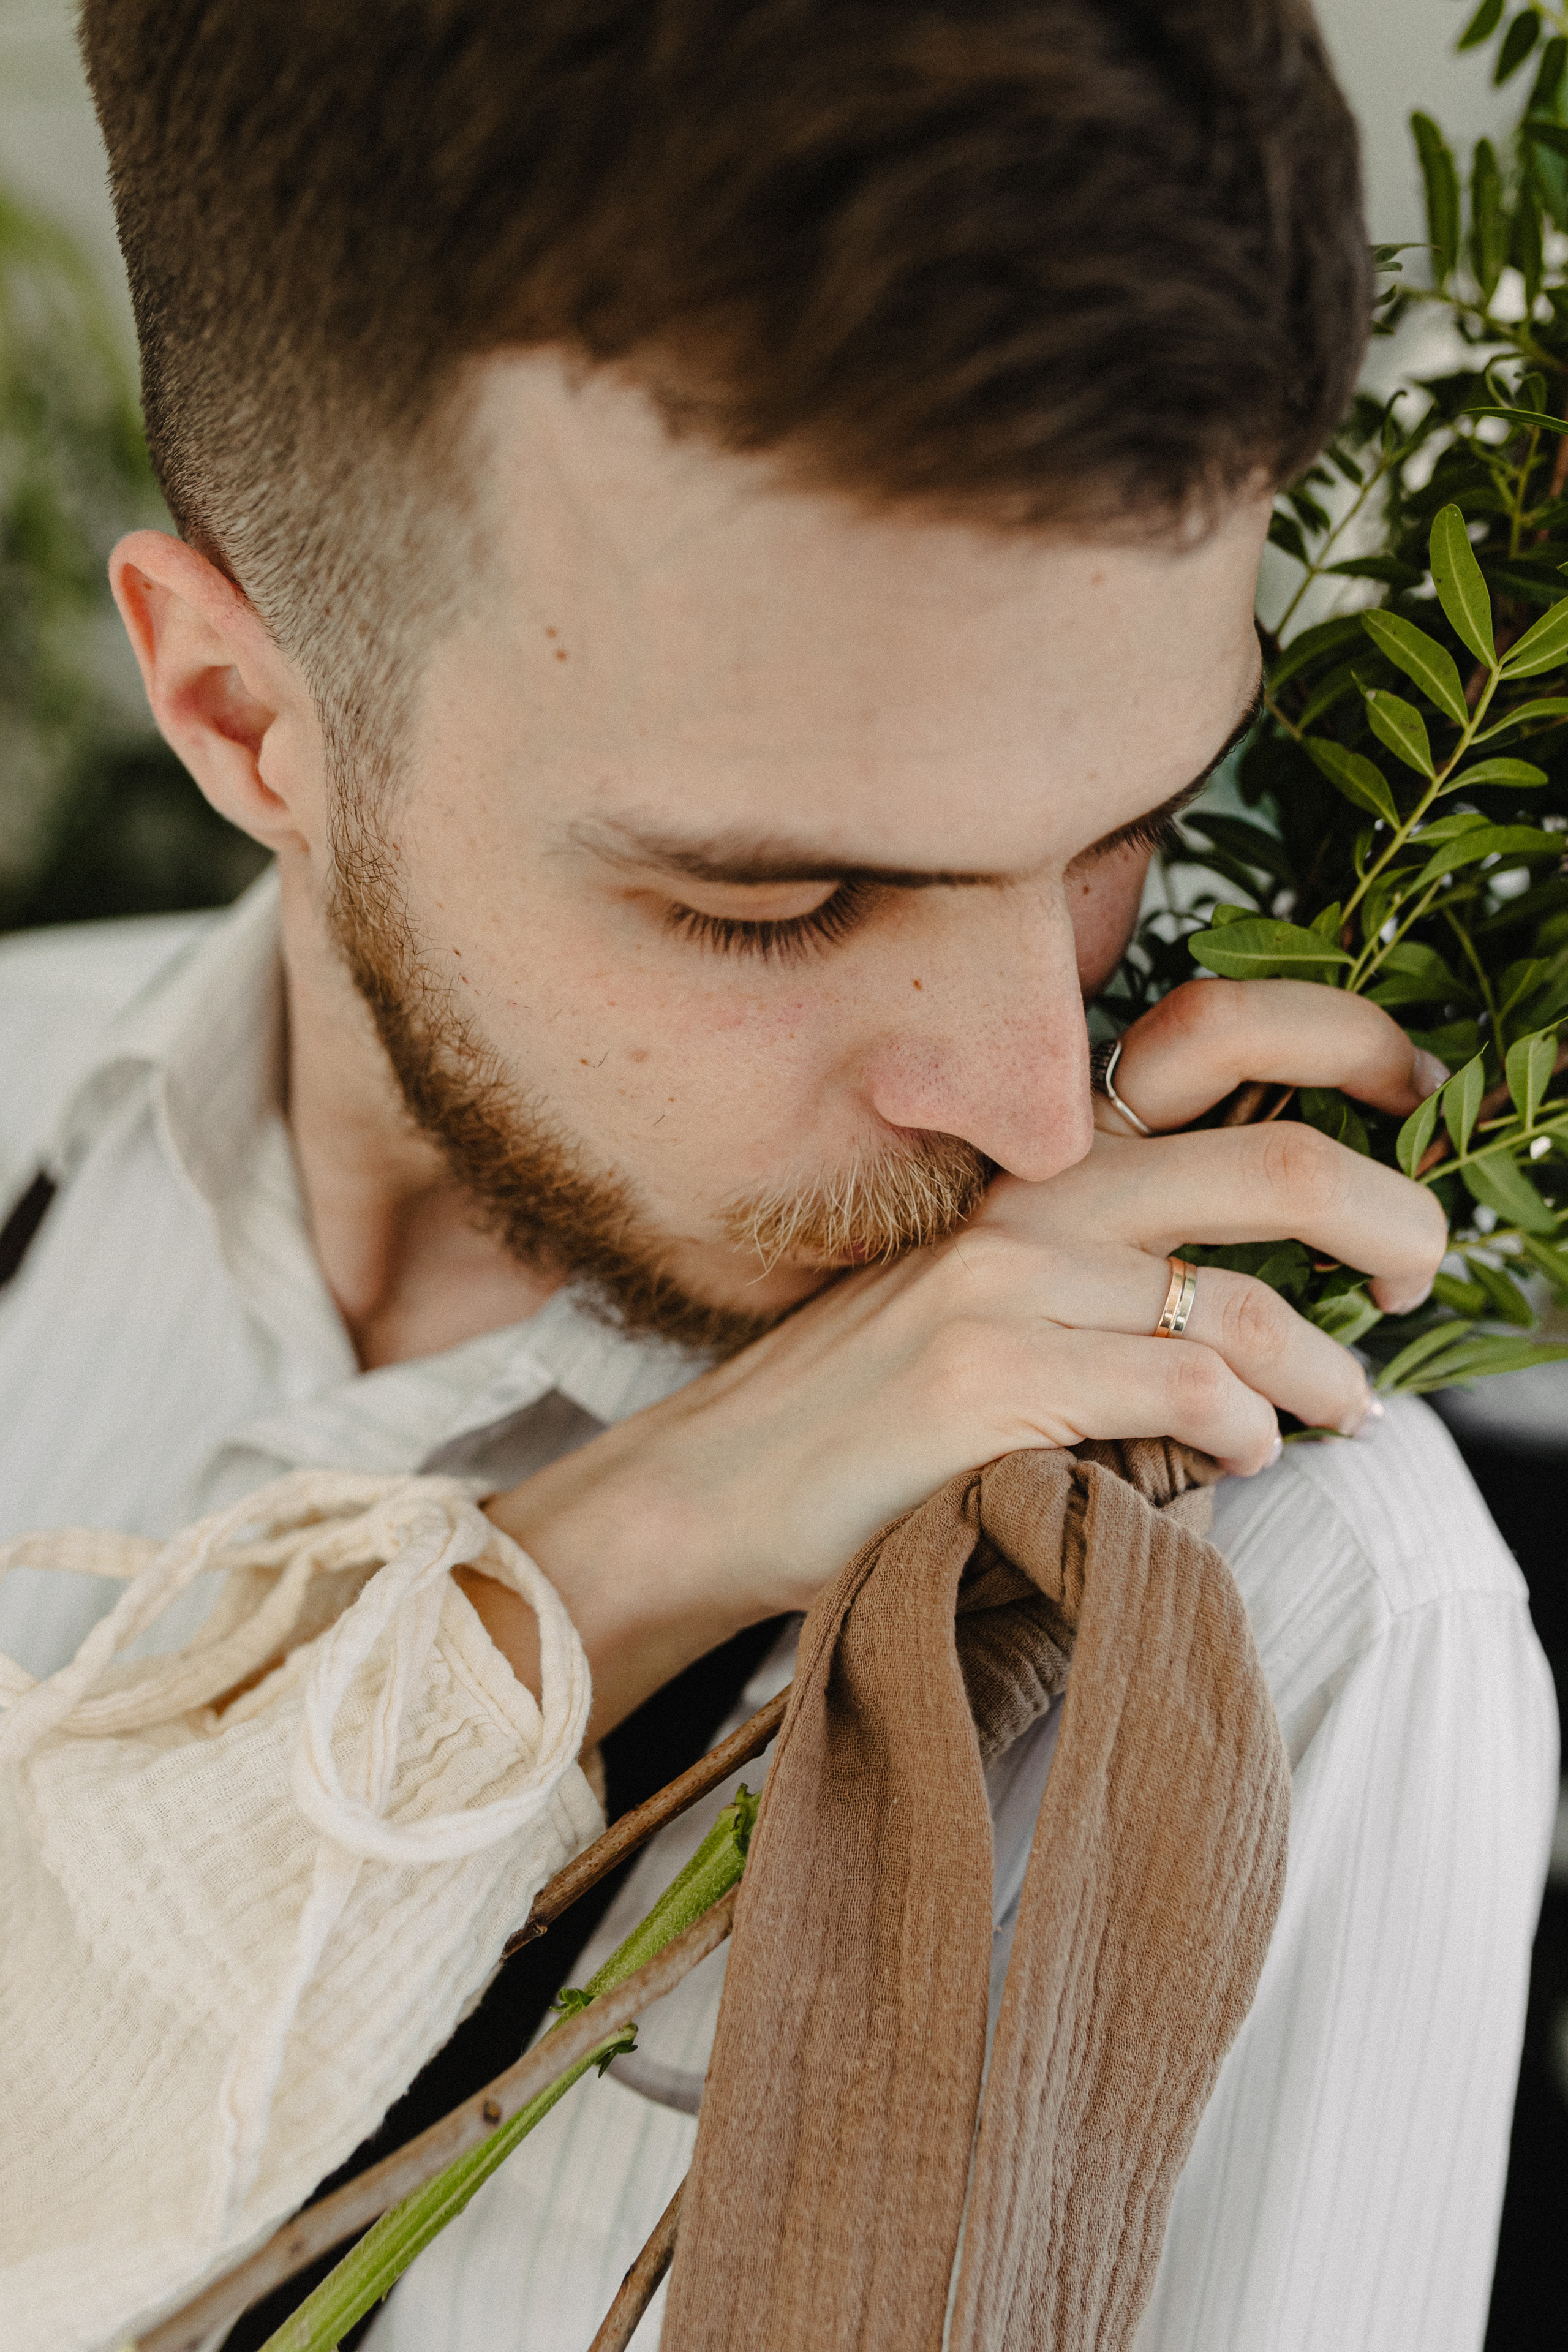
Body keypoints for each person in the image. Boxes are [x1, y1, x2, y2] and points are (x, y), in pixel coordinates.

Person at [0, 2, 1555, 2346]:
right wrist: (596, 1567)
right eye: (773, 903)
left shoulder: (1284, 1600)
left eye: (1125, 829)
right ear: (240, 717)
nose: (1043, 1095)